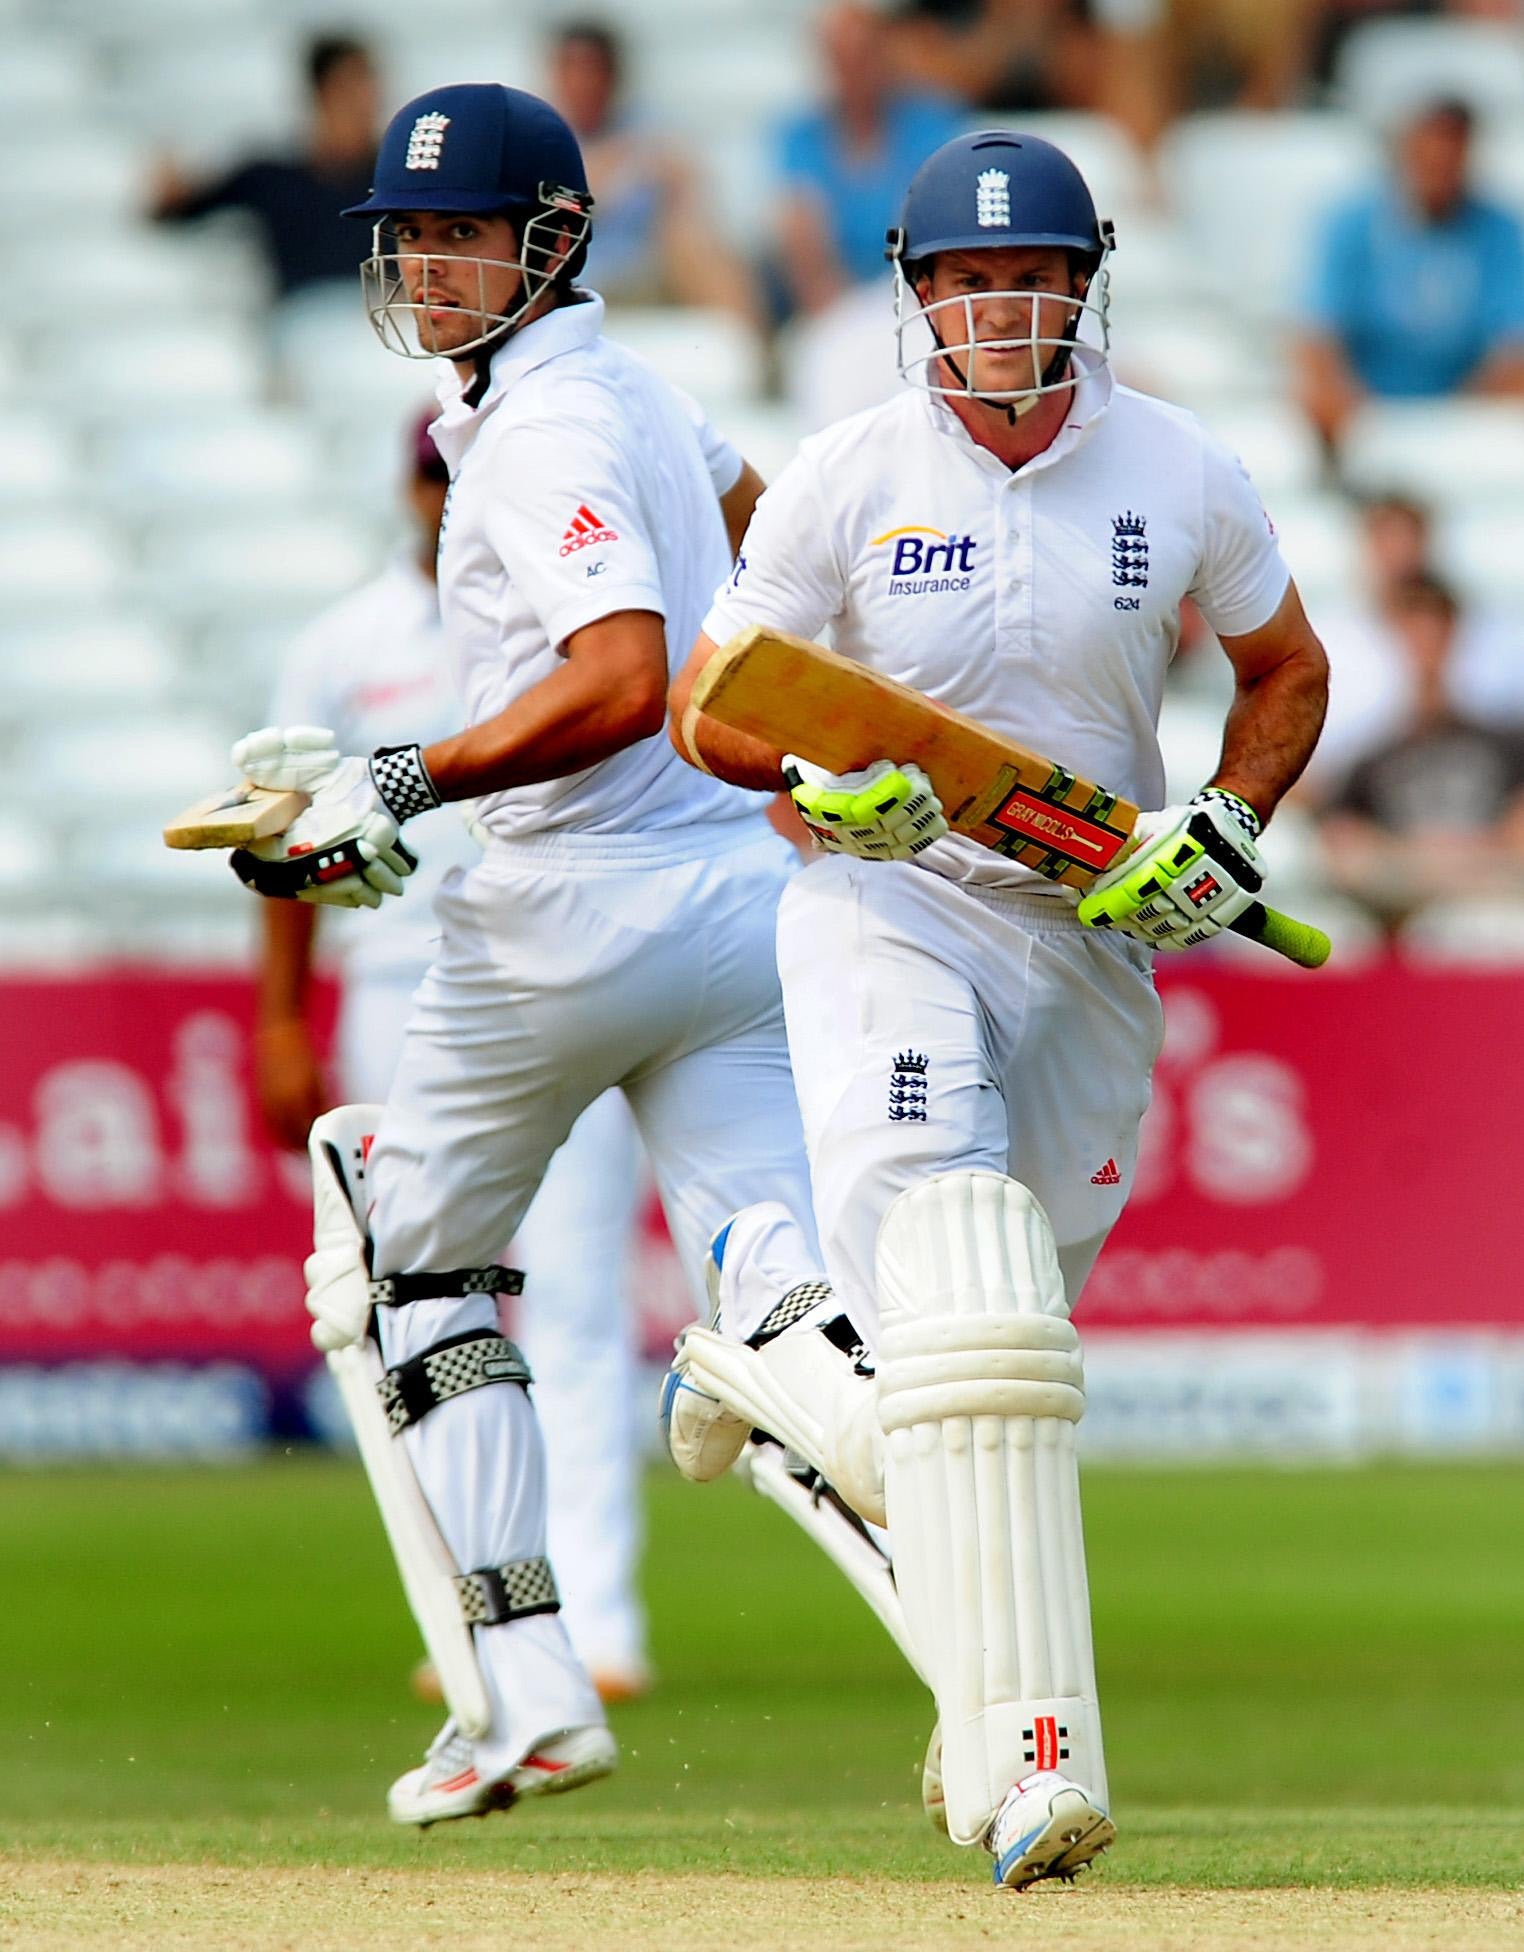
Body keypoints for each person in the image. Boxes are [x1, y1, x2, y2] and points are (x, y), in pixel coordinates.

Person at [665, 130, 1328, 1887]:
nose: (992, 307)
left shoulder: (1175, 464)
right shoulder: (844, 471)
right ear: (912, 294)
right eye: (958, 281)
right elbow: (705, 706)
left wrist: (1223, 820)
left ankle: (775, 1338)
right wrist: (809, 769)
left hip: (1091, 928)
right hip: (890, 898)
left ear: (1080, 282)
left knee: (994, 1352)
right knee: (966, 1305)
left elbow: (1282, 669)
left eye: (1023, 275)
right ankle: (1031, 1772)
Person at [225, 83, 827, 1826]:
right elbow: (762, 521)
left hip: (565, 912)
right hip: (734, 896)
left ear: (550, 242)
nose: (422, 262)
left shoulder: (550, 425)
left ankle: (527, 1688)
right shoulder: (625, 390)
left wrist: (396, 778)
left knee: (406, 1261)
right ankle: (1012, 1723)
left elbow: (619, 674)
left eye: (459, 232)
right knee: (793, 1288)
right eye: (404, 236)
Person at [253, 408, 651, 1699]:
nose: (440, 498)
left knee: (579, 1294)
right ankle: (475, 1611)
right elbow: (282, 832)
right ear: (404, 485)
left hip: (555, 961)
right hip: (395, 977)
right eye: (428, 477)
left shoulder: (563, 614)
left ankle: (595, 1613)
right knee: (424, 1297)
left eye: (458, 476)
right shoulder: (342, 646)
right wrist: (276, 1016)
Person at [1295, 95, 1524, 454]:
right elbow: (1317, 336)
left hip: (1465, 422)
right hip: (1364, 418)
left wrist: (1450, 425)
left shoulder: (1502, 231)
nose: (1438, 163)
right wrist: (1362, 424)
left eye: (1452, 150)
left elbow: (1515, 350)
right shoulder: (1351, 224)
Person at [1319, 569, 1524, 923]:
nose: (1424, 647)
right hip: (1407, 914)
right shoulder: (1370, 756)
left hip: (1492, 909)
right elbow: (1344, 849)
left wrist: (1423, 862)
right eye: (1412, 633)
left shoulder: (1505, 745)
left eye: (1435, 632)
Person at [546, 19, 758, 323]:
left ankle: (749, 347)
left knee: (690, 236)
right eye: (574, 70)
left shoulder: (648, 126)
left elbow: (691, 185)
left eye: (593, 70)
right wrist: (609, 175)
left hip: (645, 272)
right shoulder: (539, 137)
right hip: (573, 277)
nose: (584, 82)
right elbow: (556, 205)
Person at [148, 33, 381, 305]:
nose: (365, 102)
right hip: (303, 317)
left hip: (383, 320)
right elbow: (178, 212)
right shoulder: (271, 177)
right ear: (320, 93)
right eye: (350, 89)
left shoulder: (400, 177)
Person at [772, 2, 966, 319]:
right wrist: (841, 319)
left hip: (918, 299)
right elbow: (803, 239)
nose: (854, 70)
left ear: (884, 54)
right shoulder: (800, 135)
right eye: (841, 58)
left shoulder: (933, 123)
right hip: (832, 303)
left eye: (863, 56)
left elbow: (939, 228)